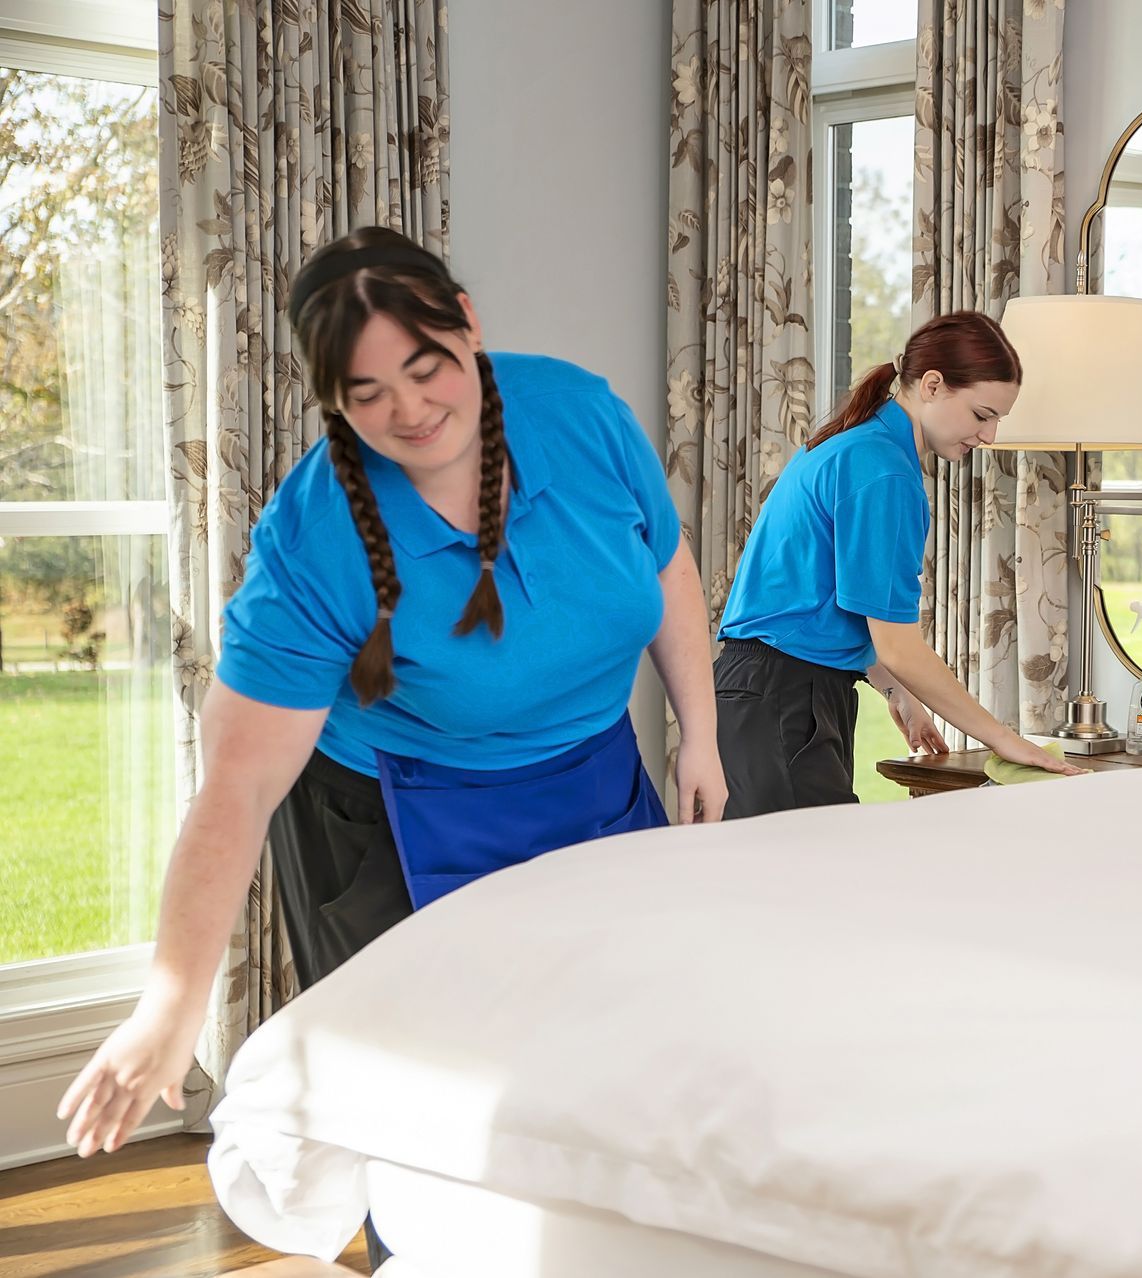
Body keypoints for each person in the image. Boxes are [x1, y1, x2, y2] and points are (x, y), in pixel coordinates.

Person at [58, 228, 725, 1263]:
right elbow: (234, 790)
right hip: (389, 813)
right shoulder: (312, 538)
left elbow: (667, 571)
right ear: (333, 399)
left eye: (426, 367)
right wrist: (168, 1008)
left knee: (605, 1049)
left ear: (468, 322)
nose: (410, 410)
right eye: (368, 394)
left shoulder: (581, 415)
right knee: (427, 1102)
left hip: (588, 773)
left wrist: (699, 736)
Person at [715, 310, 1080, 815]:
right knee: (806, 881)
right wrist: (1004, 739)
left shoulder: (856, 444)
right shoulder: (883, 471)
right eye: (981, 414)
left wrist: (895, 690)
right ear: (932, 384)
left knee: (790, 878)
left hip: (775, 693)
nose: (990, 436)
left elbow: (826, 604)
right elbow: (899, 645)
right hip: (786, 695)